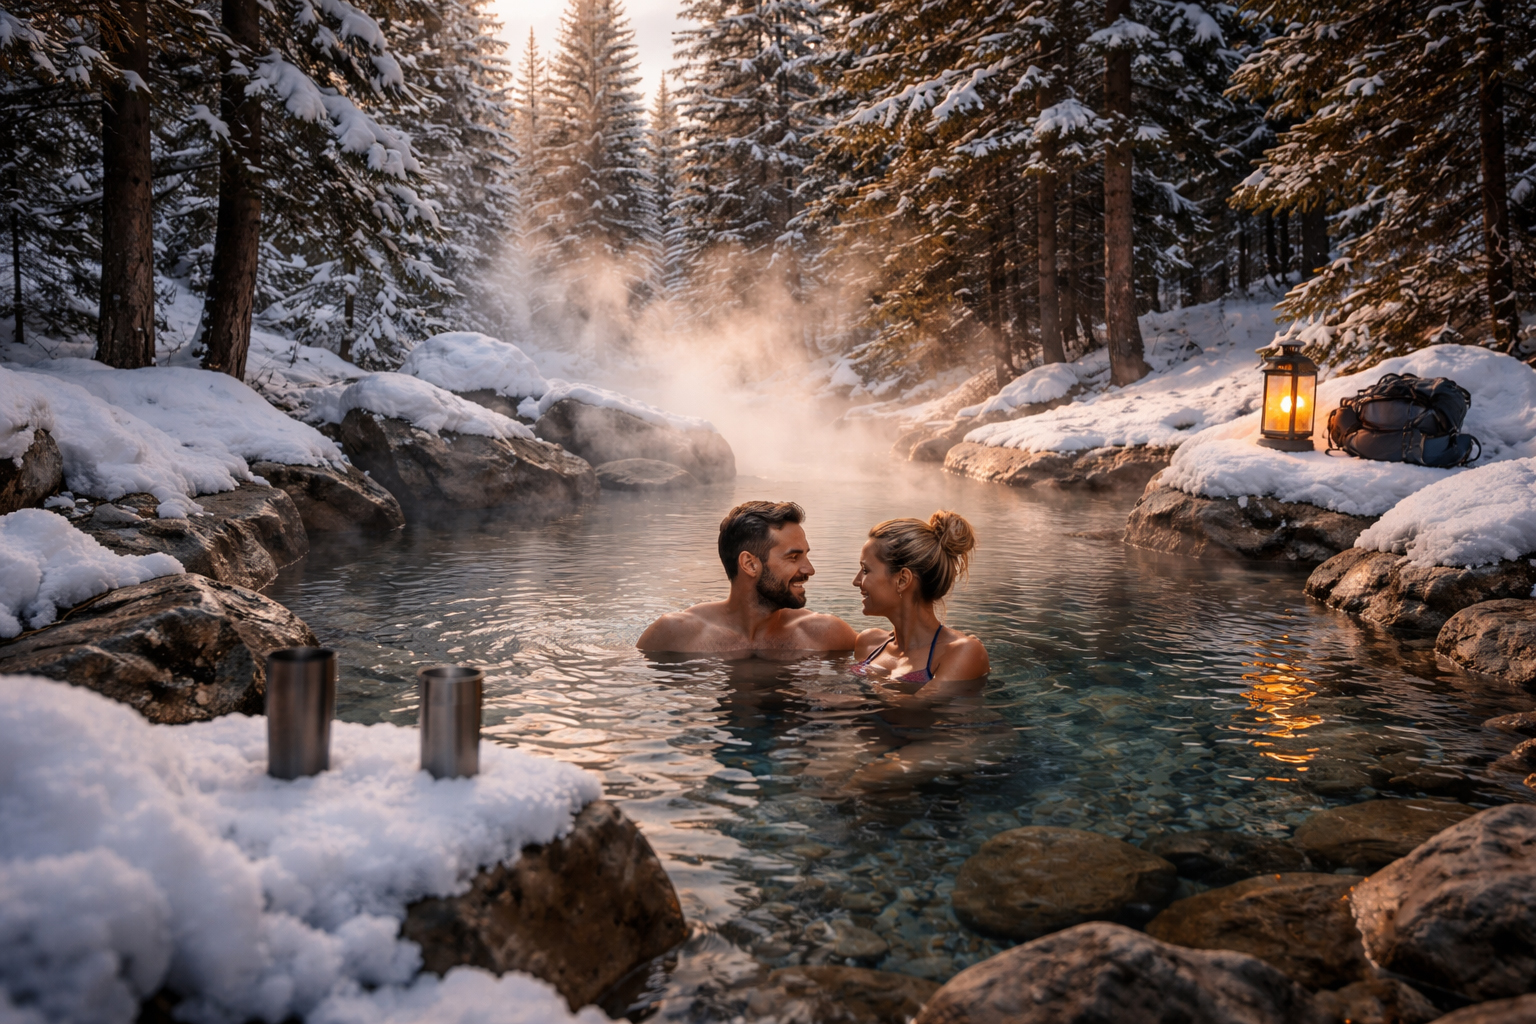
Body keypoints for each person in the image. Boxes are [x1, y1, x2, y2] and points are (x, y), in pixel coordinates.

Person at [638, 500, 859, 652]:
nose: (809, 569)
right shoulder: (676, 634)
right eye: (793, 557)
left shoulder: (826, 634)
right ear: (750, 564)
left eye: (806, 556)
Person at [849, 510, 989, 684]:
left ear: (902, 580)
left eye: (865, 570)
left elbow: (912, 709)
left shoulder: (962, 651)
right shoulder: (868, 643)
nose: (856, 581)